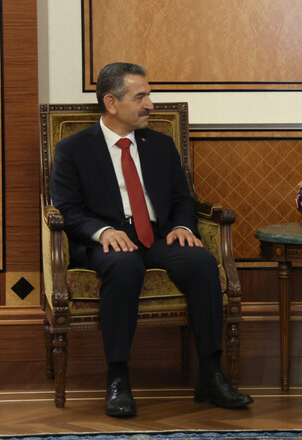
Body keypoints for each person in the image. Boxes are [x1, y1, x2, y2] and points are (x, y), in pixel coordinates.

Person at [50, 62, 253, 418]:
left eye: (149, 95)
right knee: (124, 266)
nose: (150, 105)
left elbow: (182, 198)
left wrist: (183, 227)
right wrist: (103, 232)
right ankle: (118, 379)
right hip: (106, 242)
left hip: (157, 235)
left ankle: (211, 375)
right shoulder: (74, 149)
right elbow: (66, 208)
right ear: (111, 103)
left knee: (202, 262)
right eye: (140, 97)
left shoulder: (160, 144)